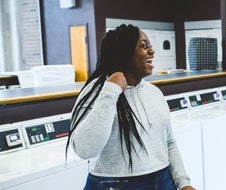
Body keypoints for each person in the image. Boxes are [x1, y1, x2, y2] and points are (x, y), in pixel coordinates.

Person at [65, 24, 195, 190]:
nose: (152, 51)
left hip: (163, 180)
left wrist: (183, 183)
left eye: (150, 45)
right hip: (115, 185)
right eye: (143, 46)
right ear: (124, 53)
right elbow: (85, 149)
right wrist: (111, 90)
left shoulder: (154, 93)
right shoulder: (96, 93)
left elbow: (169, 142)